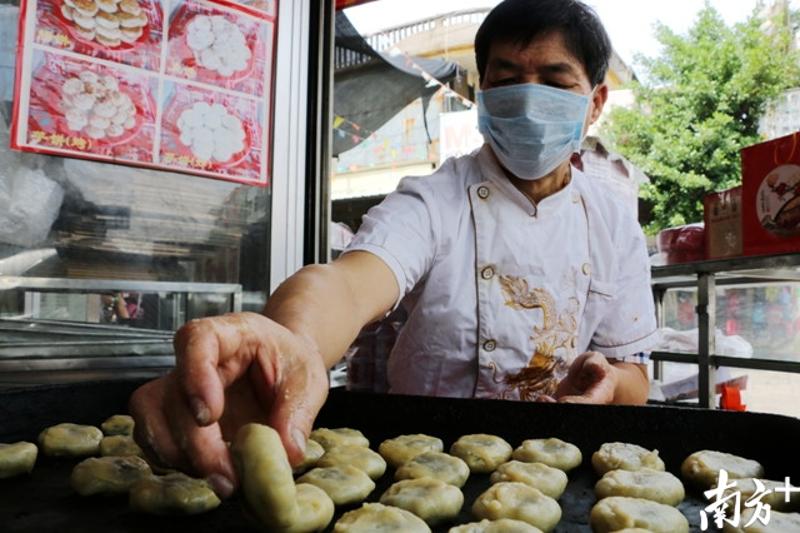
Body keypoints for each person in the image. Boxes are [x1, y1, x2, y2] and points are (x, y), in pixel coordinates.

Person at [130, 0, 658, 498]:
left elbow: (633, 371)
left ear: (594, 103)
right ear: (482, 96)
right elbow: (349, 283)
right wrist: (291, 341)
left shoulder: (613, 222)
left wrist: (611, 384)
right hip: (421, 468)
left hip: (556, 471)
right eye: (507, 81)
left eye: (554, 81)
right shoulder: (433, 201)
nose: (527, 97)